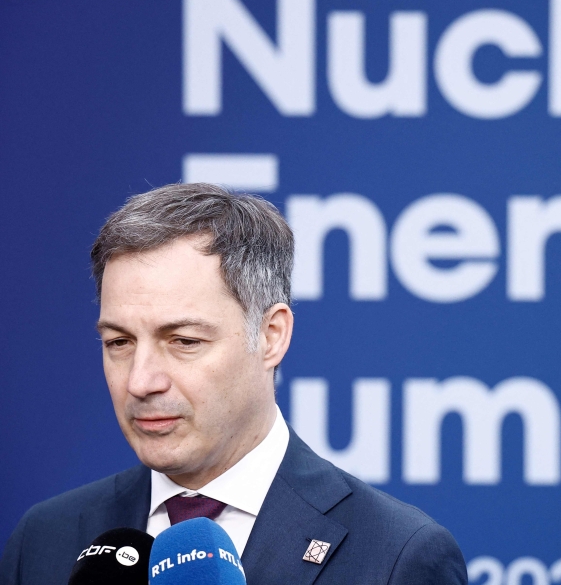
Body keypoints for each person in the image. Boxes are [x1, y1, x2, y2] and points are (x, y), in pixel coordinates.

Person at [0, 183, 467, 585]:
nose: (140, 381)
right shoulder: (44, 540)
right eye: (119, 342)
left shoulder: (395, 557)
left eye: (183, 340)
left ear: (270, 337)